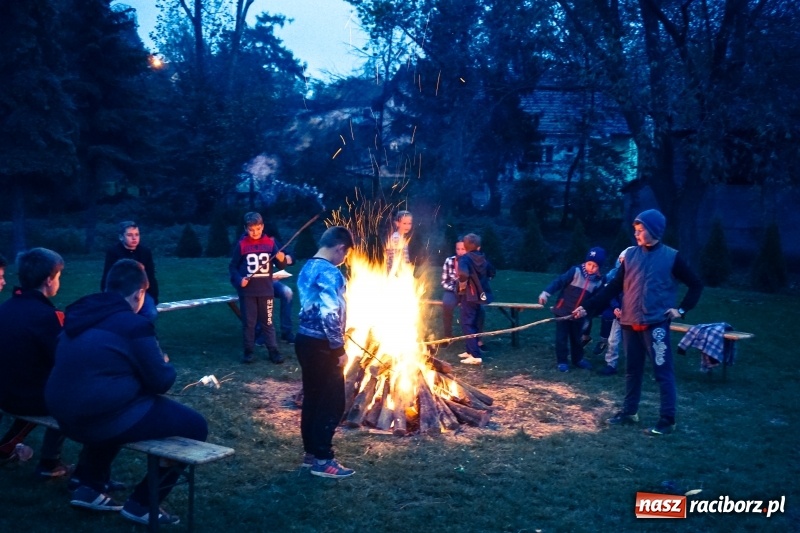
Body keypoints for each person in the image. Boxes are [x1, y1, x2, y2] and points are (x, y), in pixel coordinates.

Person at [45, 259, 208, 524]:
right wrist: (164, 362)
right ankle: (143, 504)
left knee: (115, 404)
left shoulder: (80, 316)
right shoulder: (133, 325)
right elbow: (161, 381)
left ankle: (89, 485)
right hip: (98, 418)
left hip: (63, 415)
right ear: (139, 294)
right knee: (195, 426)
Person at [574, 209, 704, 436]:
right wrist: (588, 307)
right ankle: (629, 412)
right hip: (629, 322)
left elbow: (696, 284)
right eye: (635, 230)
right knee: (632, 370)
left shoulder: (671, 257)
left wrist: (681, 309)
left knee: (662, 372)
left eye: (640, 230)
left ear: (653, 231)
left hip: (655, 325)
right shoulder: (631, 256)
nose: (636, 234)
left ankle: (667, 419)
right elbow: (613, 287)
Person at [0, 248, 71, 476]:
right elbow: (63, 358)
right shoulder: (46, 317)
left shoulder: (5, 309)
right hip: (28, 398)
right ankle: (62, 467)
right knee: (78, 394)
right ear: (49, 280)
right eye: (59, 277)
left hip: (6, 392)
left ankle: (9, 445)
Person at [295, 226, 356, 478]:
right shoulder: (330, 273)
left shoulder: (307, 267)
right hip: (323, 346)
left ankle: (311, 454)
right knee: (332, 401)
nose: (344, 259)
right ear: (340, 248)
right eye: (346, 254)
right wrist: (339, 348)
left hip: (304, 341)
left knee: (313, 398)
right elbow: (329, 312)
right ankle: (323, 459)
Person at [229, 212, 289, 364]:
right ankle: (248, 351)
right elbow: (233, 267)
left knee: (268, 322)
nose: (254, 232)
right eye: (251, 229)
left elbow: (280, 264)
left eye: (257, 229)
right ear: (245, 228)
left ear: (262, 227)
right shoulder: (242, 245)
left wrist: (282, 259)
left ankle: (273, 351)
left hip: (266, 291)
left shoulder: (270, 243)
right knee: (249, 323)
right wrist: (239, 280)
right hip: (248, 292)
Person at [539, 247, 606, 372]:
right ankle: (562, 361)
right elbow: (559, 281)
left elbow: (595, 301)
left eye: (595, 266)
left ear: (599, 267)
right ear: (585, 262)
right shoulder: (575, 271)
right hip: (563, 310)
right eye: (589, 264)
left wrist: (586, 313)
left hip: (579, 315)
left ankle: (578, 359)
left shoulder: (598, 282)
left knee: (577, 338)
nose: (591, 268)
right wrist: (546, 293)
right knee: (561, 337)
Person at [101, 221, 159, 322]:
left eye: (137, 234)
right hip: (120, 291)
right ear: (121, 237)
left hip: (141, 291)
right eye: (129, 235)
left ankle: (141, 331)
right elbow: (108, 275)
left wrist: (153, 295)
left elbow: (150, 275)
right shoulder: (113, 252)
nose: (134, 238)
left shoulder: (145, 252)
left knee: (151, 312)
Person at [457, 233, 495, 364]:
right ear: (479, 247)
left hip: (470, 295)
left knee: (467, 323)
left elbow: (463, 273)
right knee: (474, 321)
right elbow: (492, 272)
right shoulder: (483, 258)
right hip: (482, 296)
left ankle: (475, 355)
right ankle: (469, 350)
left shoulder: (465, 259)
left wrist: (462, 284)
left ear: (465, 247)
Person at [597, 247, 634, 376]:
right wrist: (616, 307)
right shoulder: (614, 275)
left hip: (632, 315)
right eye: (621, 260)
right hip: (619, 314)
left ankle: (632, 367)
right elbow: (611, 293)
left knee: (630, 342)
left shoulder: (636, 277)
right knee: (613, 339)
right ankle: (611, 364)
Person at [440, 237, 467, 340]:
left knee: (479, 310)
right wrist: (455, 289)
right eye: (458, 249)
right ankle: (448, 336)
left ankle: (477, 340)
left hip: (468, 292)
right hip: (452, 290)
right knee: (447, 304)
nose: (460, 252)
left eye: (463, 249)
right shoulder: (449, 261)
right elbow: (444, 281)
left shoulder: (471, 261)